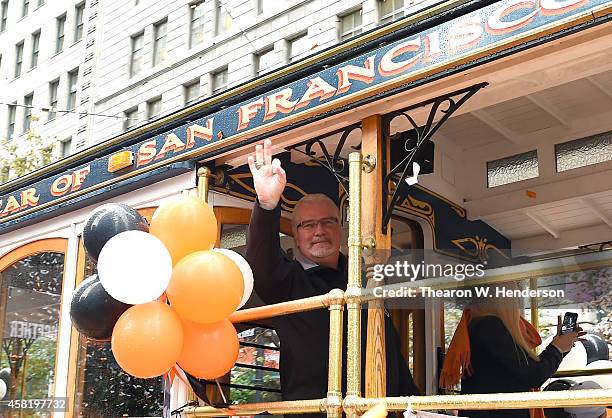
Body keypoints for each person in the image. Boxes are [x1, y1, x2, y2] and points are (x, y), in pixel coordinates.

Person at [245, 139, 419, 415]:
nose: (319, 231)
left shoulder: (363, 279)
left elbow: (390, 350)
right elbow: (261, 262)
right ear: (297, 236)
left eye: (327, 222)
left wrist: (416, 406)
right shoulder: (288, 280)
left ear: (340, 229)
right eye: (308, 225)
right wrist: (267, 204)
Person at [440, 283, 585, 418]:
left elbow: (527, 370)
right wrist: (558, 348)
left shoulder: (480, 323)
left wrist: (560, 346)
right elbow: (534, 375)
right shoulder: (490, 326)